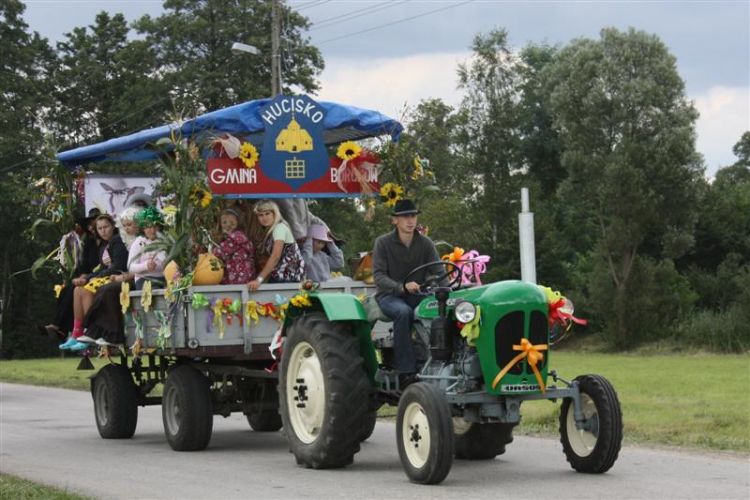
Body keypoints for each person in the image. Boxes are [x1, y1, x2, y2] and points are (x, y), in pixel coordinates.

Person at [372, 199, 441, 387]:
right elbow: (379, 277)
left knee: (440, 311)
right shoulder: (383, 243)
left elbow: (439, 272)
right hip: (389, 296)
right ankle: (406, 371)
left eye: (413, 216)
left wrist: (445, 292)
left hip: (418, 295)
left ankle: (438, 363)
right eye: (405, 217)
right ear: (395, 220)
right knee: (403, 313)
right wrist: (401, 287)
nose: (410, 221)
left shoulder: (426, 243)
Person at [59, 214, 128, 351]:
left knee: (86, 290)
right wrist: (87, 278)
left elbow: (118, 266)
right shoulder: (103, 245)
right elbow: (103, 268)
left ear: (113, 226)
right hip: (106, 276)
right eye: (100, 228)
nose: (103, 231)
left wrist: (90, 279)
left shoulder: (118, 241)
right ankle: (77, 332)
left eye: (106, 227)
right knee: (78, 289)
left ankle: (92, 330)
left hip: (118, 276)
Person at [39, 208, 101, 339]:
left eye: (95, 224)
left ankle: (60, 328)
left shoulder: (109, 242)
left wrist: (87, 277)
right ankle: (60, 328)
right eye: (90, 225)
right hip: (88, 277)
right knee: (65, 290)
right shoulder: (89, 243)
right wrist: (79, 276)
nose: (92, 227)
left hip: (99, 277)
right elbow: (83, 266)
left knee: (74, 290)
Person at [246, 200, 304, 291]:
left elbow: (275, 256)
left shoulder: (279, 228)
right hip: (281, 276)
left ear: (274, 214)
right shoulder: (272, 231)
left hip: (287, 278)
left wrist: (259, 280)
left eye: (267, 213)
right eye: (260, 215)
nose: (264, 218)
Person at [127, 206, 167, 290]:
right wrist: (145, 266)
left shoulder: (165, 240)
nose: (152, 230)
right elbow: (131, 267)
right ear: (143, 228)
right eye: (148, 227)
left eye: (155, 226)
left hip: (164, 278)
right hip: (145, 279)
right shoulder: (139, 242)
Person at [213, 208, 256, 284]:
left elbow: (221, 251)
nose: (228, 225)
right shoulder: (236, 236)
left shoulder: (236, 236)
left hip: (240, 274)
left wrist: (210, 252)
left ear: (238, 222)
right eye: (224, 222)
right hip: (239, 273)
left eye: (232, 222)